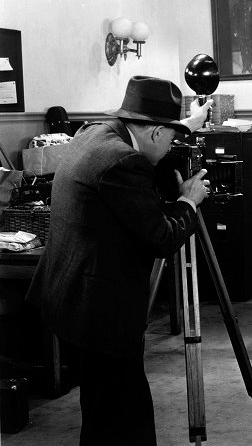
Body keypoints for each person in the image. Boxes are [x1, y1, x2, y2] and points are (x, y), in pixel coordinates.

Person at [25, 76, 214, 445]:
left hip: (69, 294)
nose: (172, 146)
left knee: (101, 410)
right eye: (172, 139)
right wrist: (188, 201)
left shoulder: (95, 133)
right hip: (100, 309)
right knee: (124, 417)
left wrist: (186, 124)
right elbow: (161, 237)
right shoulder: (125, 161)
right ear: (157, 132)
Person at [232, 0, 252, 74]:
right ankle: (244, 67)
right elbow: (235, 19)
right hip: (240, 31)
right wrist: (235, 30)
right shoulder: (237, 5)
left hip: (250, 31)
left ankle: (249, 67)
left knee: (250, 49)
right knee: (243, 50)